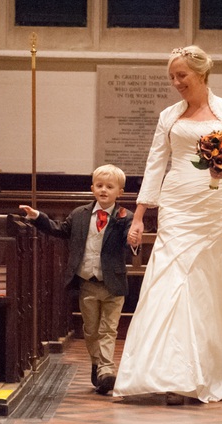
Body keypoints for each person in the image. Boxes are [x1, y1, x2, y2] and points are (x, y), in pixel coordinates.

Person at [112, 45, 222, 405]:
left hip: (215, 204)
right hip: (177, 203)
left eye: (182, 76)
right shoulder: (168, 116)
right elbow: (155, 164)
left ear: (201, 74)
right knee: (173, 279)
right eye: (172, 77)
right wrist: (142, 215)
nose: (176, 83)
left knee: (210, 282)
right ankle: (173, 372)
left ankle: (211, 368)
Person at [19, 164, 135, 395]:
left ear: (119, 192)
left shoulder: (125, 217)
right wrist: (37, 217)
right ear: (92, 188)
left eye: (109, 187)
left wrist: (134, 239)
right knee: (91, 330)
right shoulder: (79, 215)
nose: (104, 190)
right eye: (99, 186)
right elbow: (60, 230)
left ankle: (106, 370)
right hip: (87, 283)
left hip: (113, 284)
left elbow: (130, 239)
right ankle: (97, 365)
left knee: (108, 330)